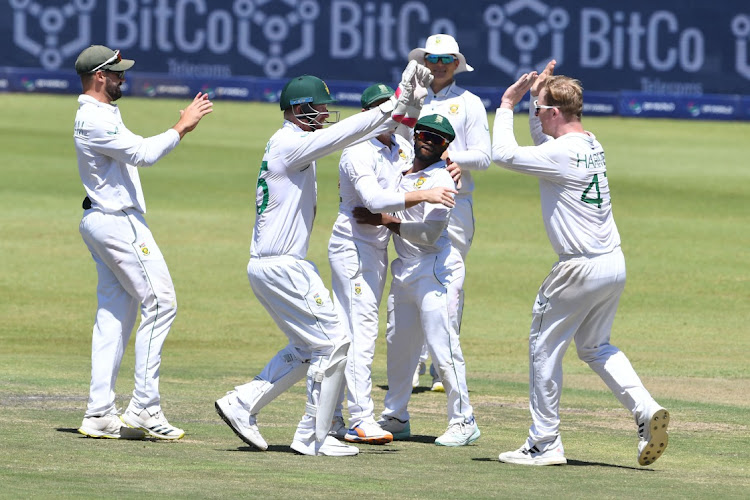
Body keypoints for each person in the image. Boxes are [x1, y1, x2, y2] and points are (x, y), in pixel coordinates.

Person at [214, 63, 431, 457]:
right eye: (318, 108)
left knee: (309, 347)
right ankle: (313, 435)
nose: (325, 115)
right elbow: (348, 133)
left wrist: (410, 104)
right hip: (282, 264)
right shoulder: (290, 143)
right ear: (299, 110)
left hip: (273, 264)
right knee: (336, 342)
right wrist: (399, 93)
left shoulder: (291, 142)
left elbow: (380, 135)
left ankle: (242, 402)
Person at [491, 60, 670, 466]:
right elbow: (543, 144)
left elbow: (502, 154)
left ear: (554, 113)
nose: (534, 115)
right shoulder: (591, 142)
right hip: (613, 263)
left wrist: (506, 103)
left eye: (538, 111)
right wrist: (539, 94)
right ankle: (644, 409)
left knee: (543, 347)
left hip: (579, 268)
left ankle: (544, 443)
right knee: (594, 346)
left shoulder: (561, 154)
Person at [73, 45, 213, 440]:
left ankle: (99, 413)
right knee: (161, 302)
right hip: (118, 223)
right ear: (99, 76)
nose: (122, 77)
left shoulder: (97, 114)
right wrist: (182, 125)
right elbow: (143, 154)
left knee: (113, 318)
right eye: (116, 72)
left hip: (102, 220)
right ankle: (144, 408)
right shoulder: (95, 119)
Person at [327, 85, 458, 444]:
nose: (391, 116)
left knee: (350, 333)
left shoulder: (398, 145)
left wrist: (447, 169)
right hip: (352, 247)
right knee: (359, 332)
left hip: (378, 250)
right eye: (383, 110)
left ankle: (333, 417)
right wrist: (425, 193)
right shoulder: (356, 149)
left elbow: (415, 168)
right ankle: (359, 419)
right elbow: (373, 200)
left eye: (394, 109)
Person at [354, 114, 480, 447]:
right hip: (405, 268)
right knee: (399, 345)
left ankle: (464, 420)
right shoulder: (401, 166)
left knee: (443, 344)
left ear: (445, 147)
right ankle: (396, 416)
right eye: (423, 134)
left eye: (437, 139)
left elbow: (428, 234)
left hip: (435, 267)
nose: (427, 141)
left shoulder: (445, 180)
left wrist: (384, 221)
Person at [406, 34, 491, 392]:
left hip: (456, 201)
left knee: (449, 280)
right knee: (410, 276)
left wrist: (448, 157)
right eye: (433, 59)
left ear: (456, 63)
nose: (439, 65)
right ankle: (410, 362)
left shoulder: (469, 103)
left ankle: (444, 365)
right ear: (425, 61)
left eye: (446, 59)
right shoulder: (412, 96)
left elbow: (484, 156)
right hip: (410, 196)